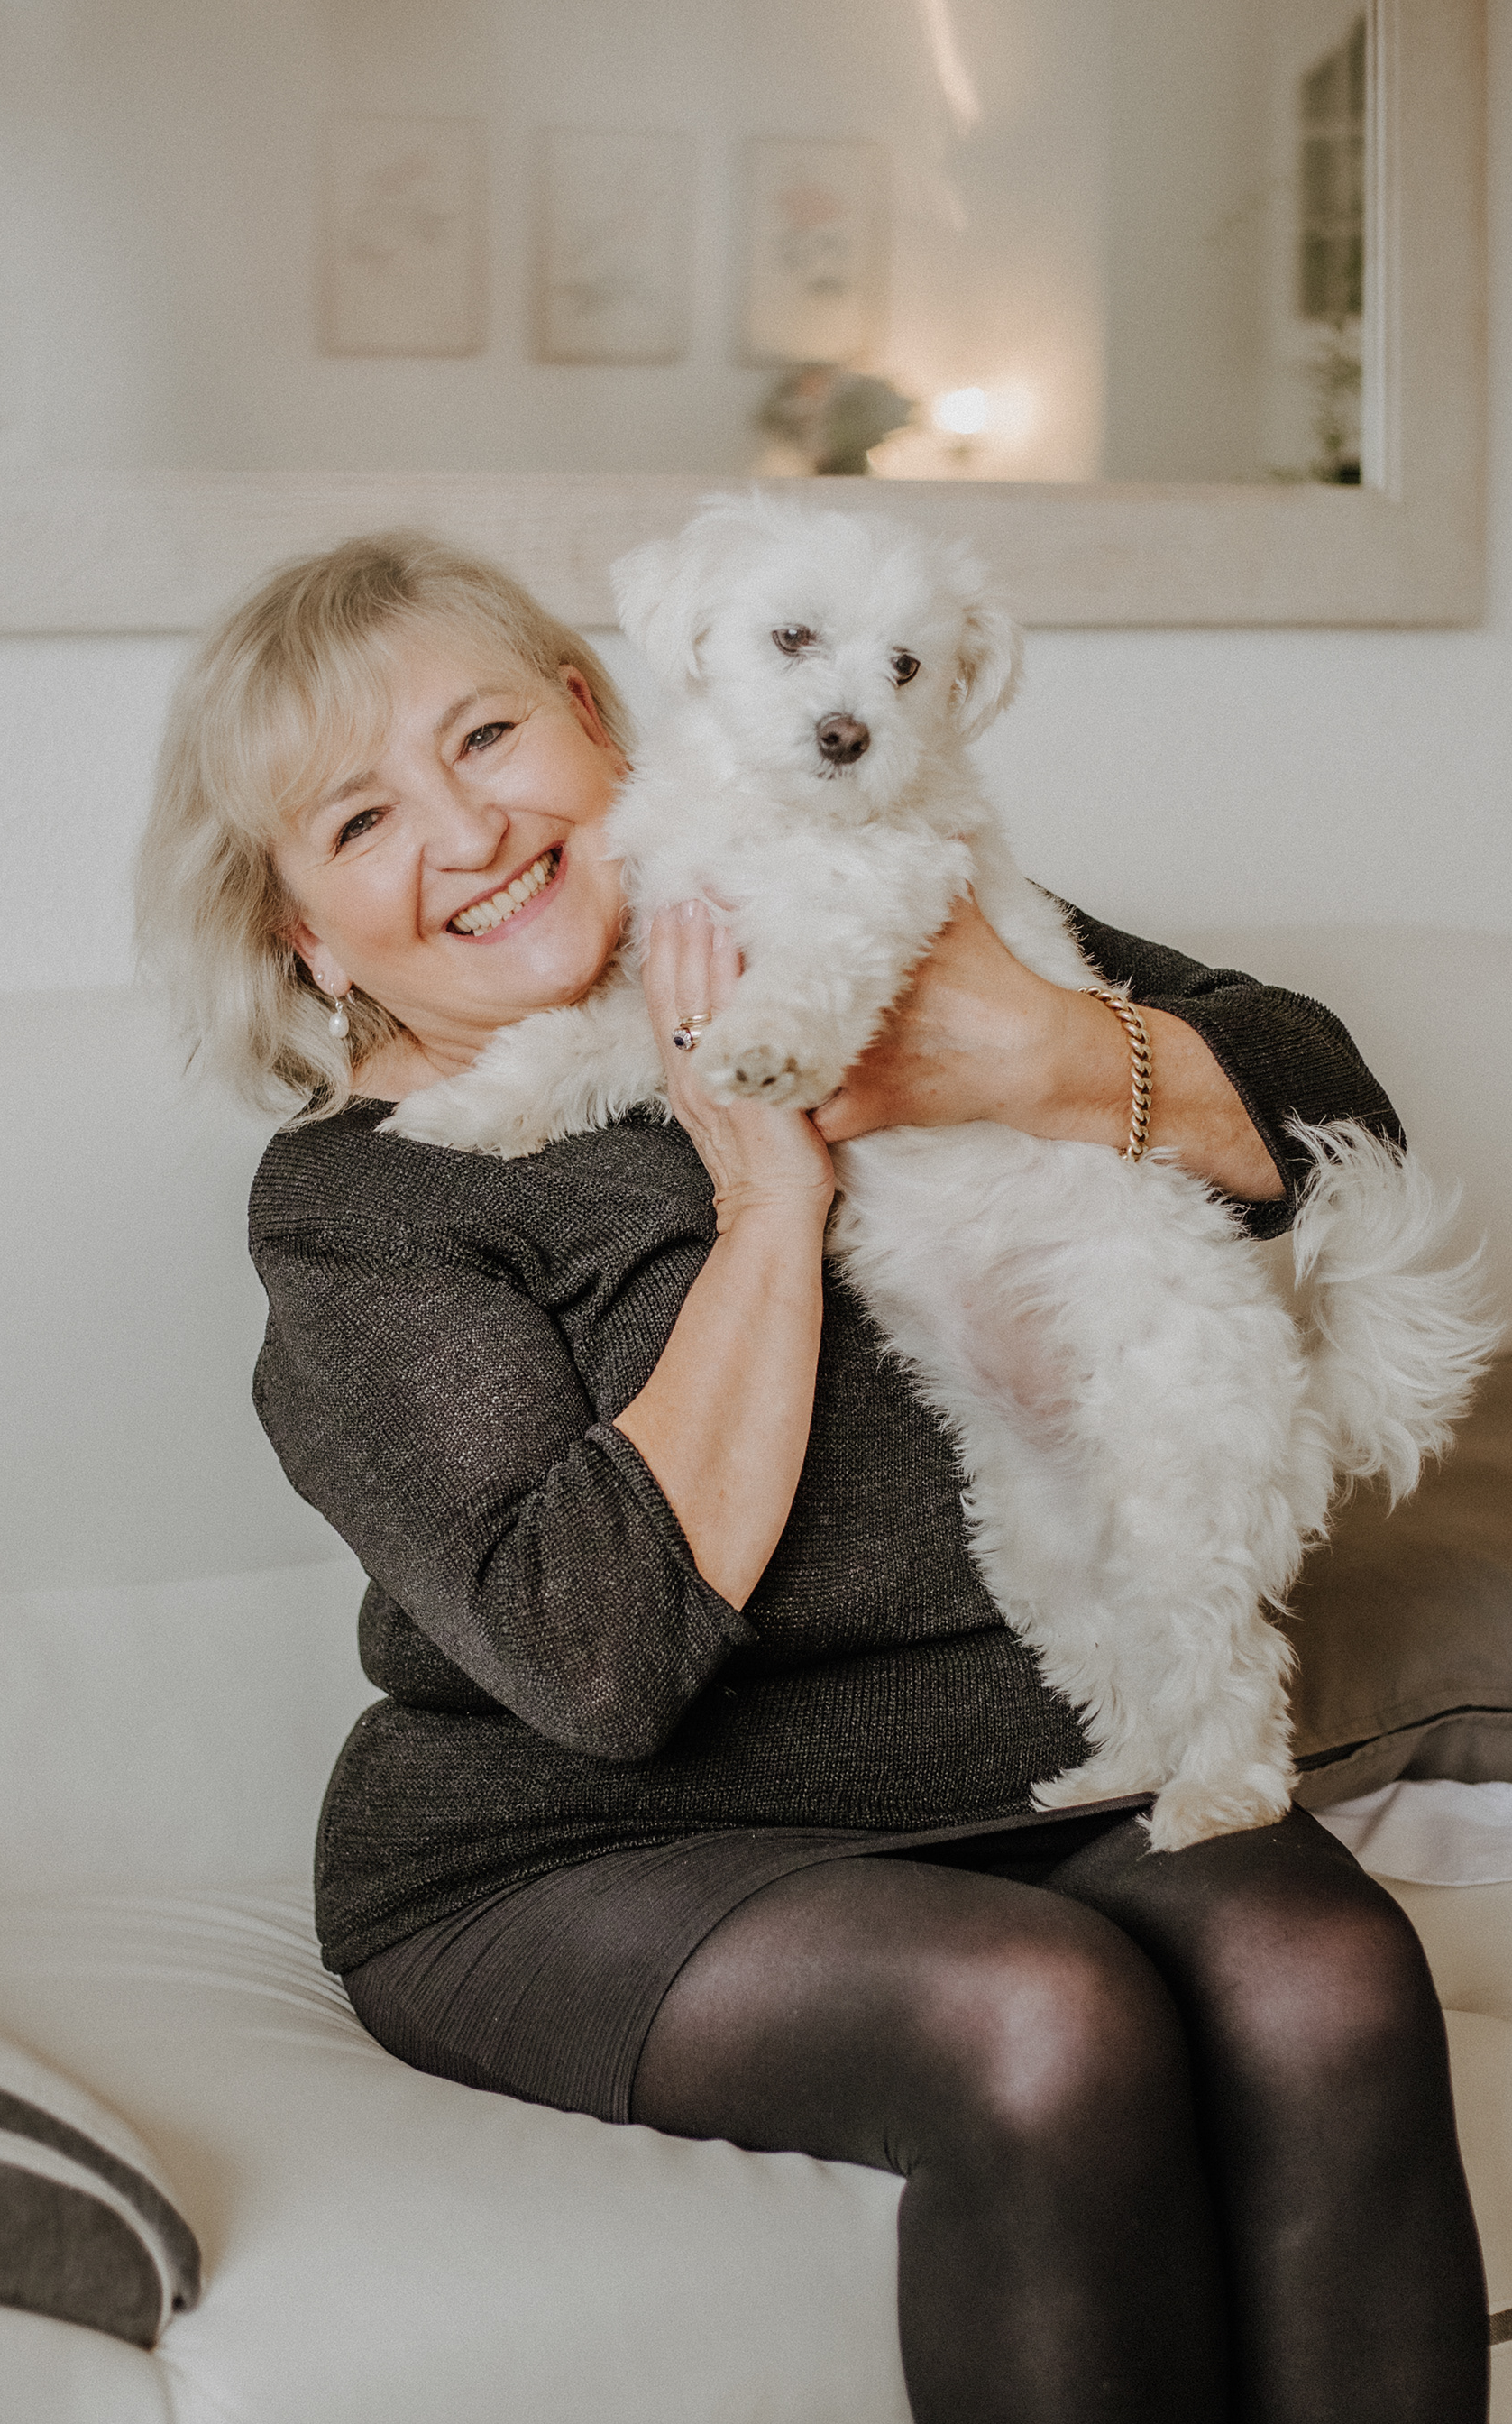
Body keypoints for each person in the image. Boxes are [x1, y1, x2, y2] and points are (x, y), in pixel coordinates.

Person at [135, 529, 1488, 2424]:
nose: (469, 831)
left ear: (601, 720)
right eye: (361, 821)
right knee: (1039, 2018)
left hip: (1026, 1761)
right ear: (301, 931)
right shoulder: (368, 1203)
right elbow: (600, 1662)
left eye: (488, 738)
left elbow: (1337, 1121)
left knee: (1328, 1972)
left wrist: (1035, 1053)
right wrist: (767, 1201)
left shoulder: (855, 903)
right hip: (575, 1847)